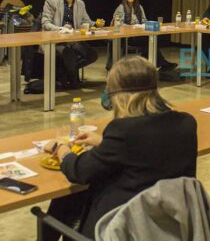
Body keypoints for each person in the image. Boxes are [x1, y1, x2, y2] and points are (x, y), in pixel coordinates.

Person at [42, 56, 197, 240]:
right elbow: (149, 149)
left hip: (122, 228)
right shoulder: (186, 123)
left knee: (69, 196)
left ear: (119, 95)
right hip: (171, 223)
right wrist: (104, 142)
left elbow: (80, 171)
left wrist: (60, 148)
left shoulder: (123, 130)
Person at [41, 0, 97, 88]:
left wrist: (96, 24)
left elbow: (86, 21)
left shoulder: (80, 4)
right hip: (55, 40)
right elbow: (45, 23)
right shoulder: (51, 2)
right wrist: (60, 29)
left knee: (92, 55)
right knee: (69, 53)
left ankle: (63, 74)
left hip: (73, 39)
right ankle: (73, 82)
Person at [108, 0, 177, 72]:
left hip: (139, 34)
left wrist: (145, 25)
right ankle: (160, 63)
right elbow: (119, 24)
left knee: (151, 39)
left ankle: (156, 63)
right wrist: (132, 27)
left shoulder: (139, 7)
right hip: (128, 38)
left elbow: (144, 20)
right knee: (148, 41)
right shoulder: (121, 8)